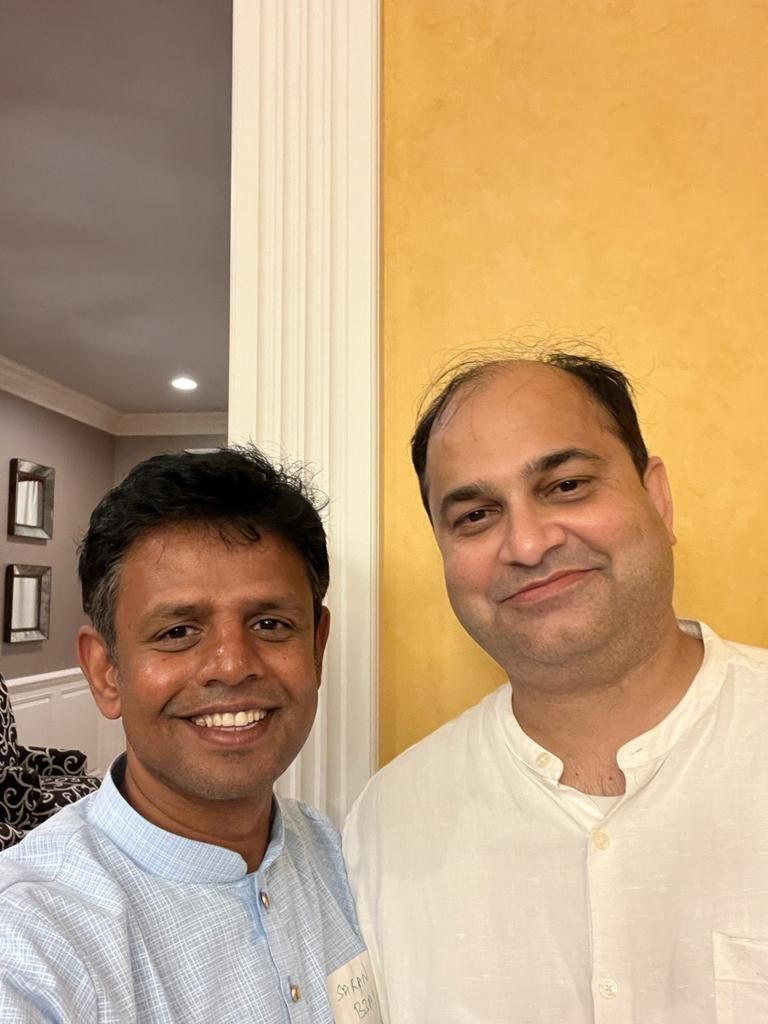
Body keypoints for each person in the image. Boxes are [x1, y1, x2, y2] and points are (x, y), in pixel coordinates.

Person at [344, 351, 768, 1023]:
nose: (528, 544)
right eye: (475, 516)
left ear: (657, 498)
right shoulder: (386, 825)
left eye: (566, 485)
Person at [0, 447, 379, 1023]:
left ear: (316, 649)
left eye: (270, 624)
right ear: (106, 672)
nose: (232, 665)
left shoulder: (347, 862)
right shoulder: (30, 938)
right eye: (177, 631)